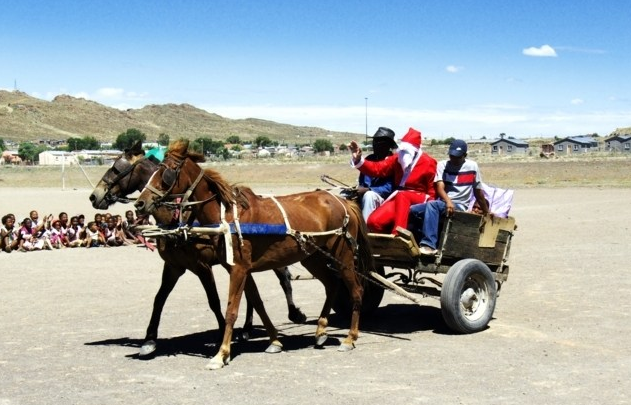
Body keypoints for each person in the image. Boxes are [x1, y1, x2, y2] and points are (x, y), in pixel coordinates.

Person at [408, 139, 491, 255]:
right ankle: (415, 240)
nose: (454, 159)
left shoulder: (472, 166)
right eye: (452, 156)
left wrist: (487, 213)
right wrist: (448, 201)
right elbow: (440, 187)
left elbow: (478, 192)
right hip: (444, 203)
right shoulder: (443, 165)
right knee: (412, 210)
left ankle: (429, 245)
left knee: (433, 205)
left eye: (458, 157)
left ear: (465, 155)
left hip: (460, 205)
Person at [349, 127, 437, 235]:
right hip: (399, 196)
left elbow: (432, 190)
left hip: (420, 197)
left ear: (414, 150)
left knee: (403, 195)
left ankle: (398, 235)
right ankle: (382, 243)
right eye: (402, 150)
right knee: (373, 222)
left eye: (406, 151)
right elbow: (377, 168)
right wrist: (358, 160)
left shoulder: (428, 162)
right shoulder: (397, 158)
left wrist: (430, 207)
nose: (403, 154)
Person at [356, 127, 397, 220]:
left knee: (369, 196)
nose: (374, 145)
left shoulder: (394, 161)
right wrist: (358, 189)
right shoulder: (369, 158)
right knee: (344, 195)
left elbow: (389, 188)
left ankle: (365, 231)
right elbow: (362, 180)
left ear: (387, 145)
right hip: (366, 194)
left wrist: (368, 189)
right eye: (374, 142)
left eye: (378, 142)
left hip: (385, 199)